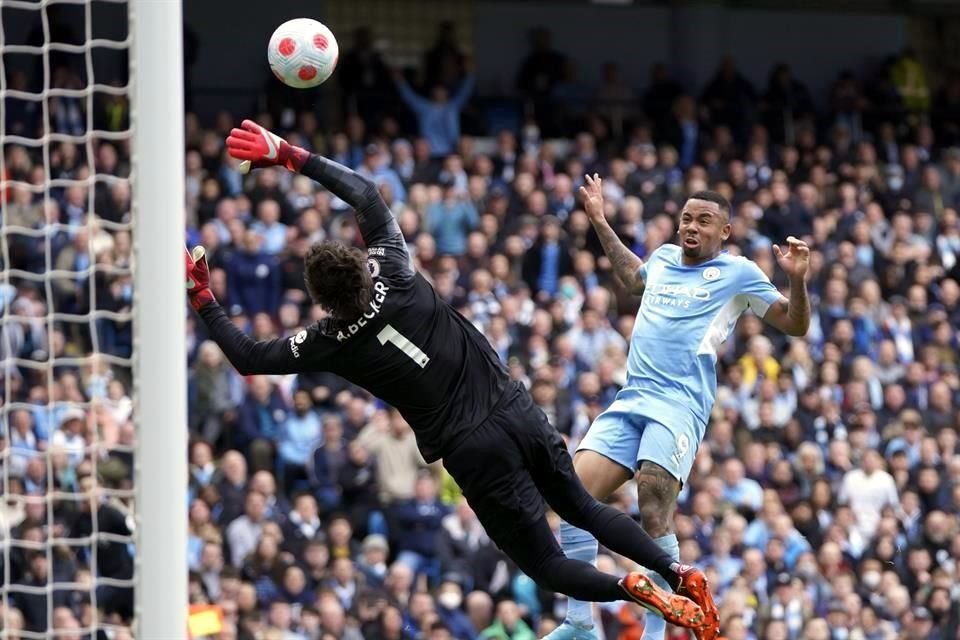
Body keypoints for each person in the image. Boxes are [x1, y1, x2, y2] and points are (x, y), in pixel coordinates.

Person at [186, 119, 718, 638]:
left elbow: (249, 356)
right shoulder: (396, 275)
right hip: (515, 408)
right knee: (582, 506)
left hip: (470, 448)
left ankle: (628, 587)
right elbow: (366, 194)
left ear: (321, 301)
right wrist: (289, 154)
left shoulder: (330, 341)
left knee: (547, 563)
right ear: (362, 265)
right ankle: (678, 573)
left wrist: (205, 299)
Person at [547, 175, 810, 640]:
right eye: (686, 218)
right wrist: (600, 221)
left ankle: (658, 629)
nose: (690, 226)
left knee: (652, 495)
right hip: (632, 397)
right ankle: (579, 623)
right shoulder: (665, 258)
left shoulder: (740, 273)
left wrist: (796, 279)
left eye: (703, 220)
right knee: (573, 494)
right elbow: (632, 279)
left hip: (680, 405)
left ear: (724, 231)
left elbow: (793, 324)